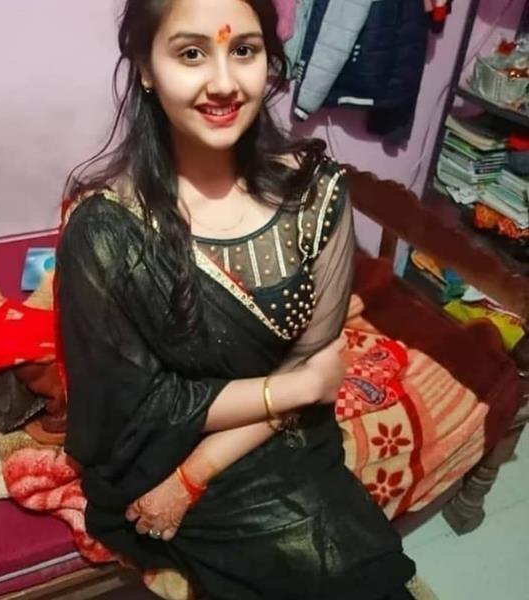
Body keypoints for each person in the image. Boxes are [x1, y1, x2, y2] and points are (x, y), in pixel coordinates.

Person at [56, 1, 420, 598]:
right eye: (191, 53)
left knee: (363, 571)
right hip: (159, 454)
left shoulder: (314, 192)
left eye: (244, 50)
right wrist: (291, 391)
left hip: (282, 439)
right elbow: (132, 410)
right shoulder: (106, 229)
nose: (224, 83)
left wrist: (195, 475)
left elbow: (313, 364)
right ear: (145, 67)